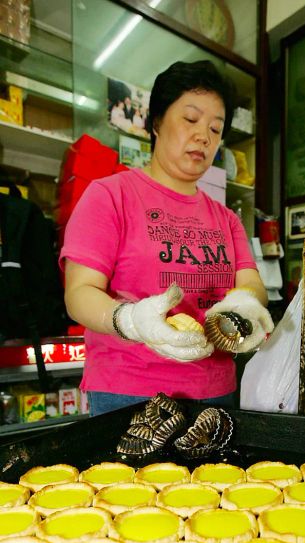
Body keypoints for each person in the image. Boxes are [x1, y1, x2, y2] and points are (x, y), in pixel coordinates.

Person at [60, 60, 273, 416]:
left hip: (215, 394)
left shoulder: (227, 219)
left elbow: (251, 282)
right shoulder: (110, 195)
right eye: (191, 119)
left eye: (216, 129)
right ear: (156, 121)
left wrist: (246, 304)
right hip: (128, 394)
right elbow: (79, 294)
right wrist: (130, 321)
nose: (203, 137)